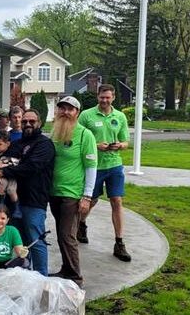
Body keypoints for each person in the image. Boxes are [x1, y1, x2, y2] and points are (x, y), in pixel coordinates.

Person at [0, 108, 54, 276]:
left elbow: (31, 167)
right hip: (13, 203)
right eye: (25, 121)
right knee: (18, 242)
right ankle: (23, 276)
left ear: (39, 123)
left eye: (31, 121)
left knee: (35, 240)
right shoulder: (16, 144)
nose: (27, 124)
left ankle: (41, 277)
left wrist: (5, 171)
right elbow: (4, 160)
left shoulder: (44, 144)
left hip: (34, 200)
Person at [77, 84, 131, 261]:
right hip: (94, 166)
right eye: (102, 97)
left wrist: (119, 145)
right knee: (91, 201)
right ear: (97, 97)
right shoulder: (86, 115)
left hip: (114, 165)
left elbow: (126, 142)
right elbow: (78, 138)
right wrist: (95, 145)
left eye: (108, 97)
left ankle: (119, 242)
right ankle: (81, 223)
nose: (105, 100)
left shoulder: (120, 116)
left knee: (117, 201)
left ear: (113, 97)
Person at [49, 96, 97, 287]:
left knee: (67, 235)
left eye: (70, 109)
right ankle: (66, 269)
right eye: (62, 108)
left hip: (73, 194)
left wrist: (87, 196)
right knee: (62, 234)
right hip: (55, 192)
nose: (65, 112)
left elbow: (91, 167)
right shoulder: (55, 132)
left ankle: (76, 277)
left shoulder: (85, 135)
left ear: (77, 113)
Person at [0, 130, 21, 218]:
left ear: (8, 144)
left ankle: (17, 208)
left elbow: (18, 163)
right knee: (1, 185)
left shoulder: (13, 154)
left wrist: (4, 165)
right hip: (1, 178)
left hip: (11, 177)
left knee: (11, 190)